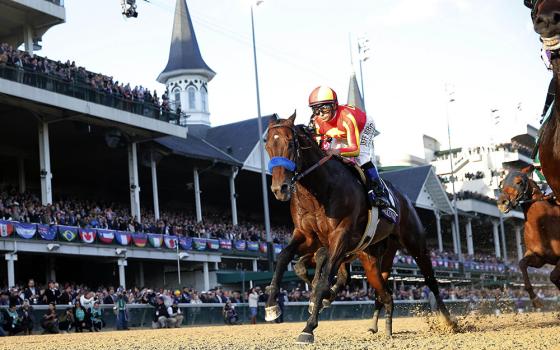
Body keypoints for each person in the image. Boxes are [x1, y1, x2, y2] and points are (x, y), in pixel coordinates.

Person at [308, 86, 396, 220]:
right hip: (339, 131)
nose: (320, 114)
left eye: (324, 108)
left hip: (363, 127)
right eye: (316, 109)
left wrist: (337, 151)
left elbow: (354, 149)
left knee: (362, 158)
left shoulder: (347, 118)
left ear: (334, 106)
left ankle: (379, 194)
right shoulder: (316, 121)